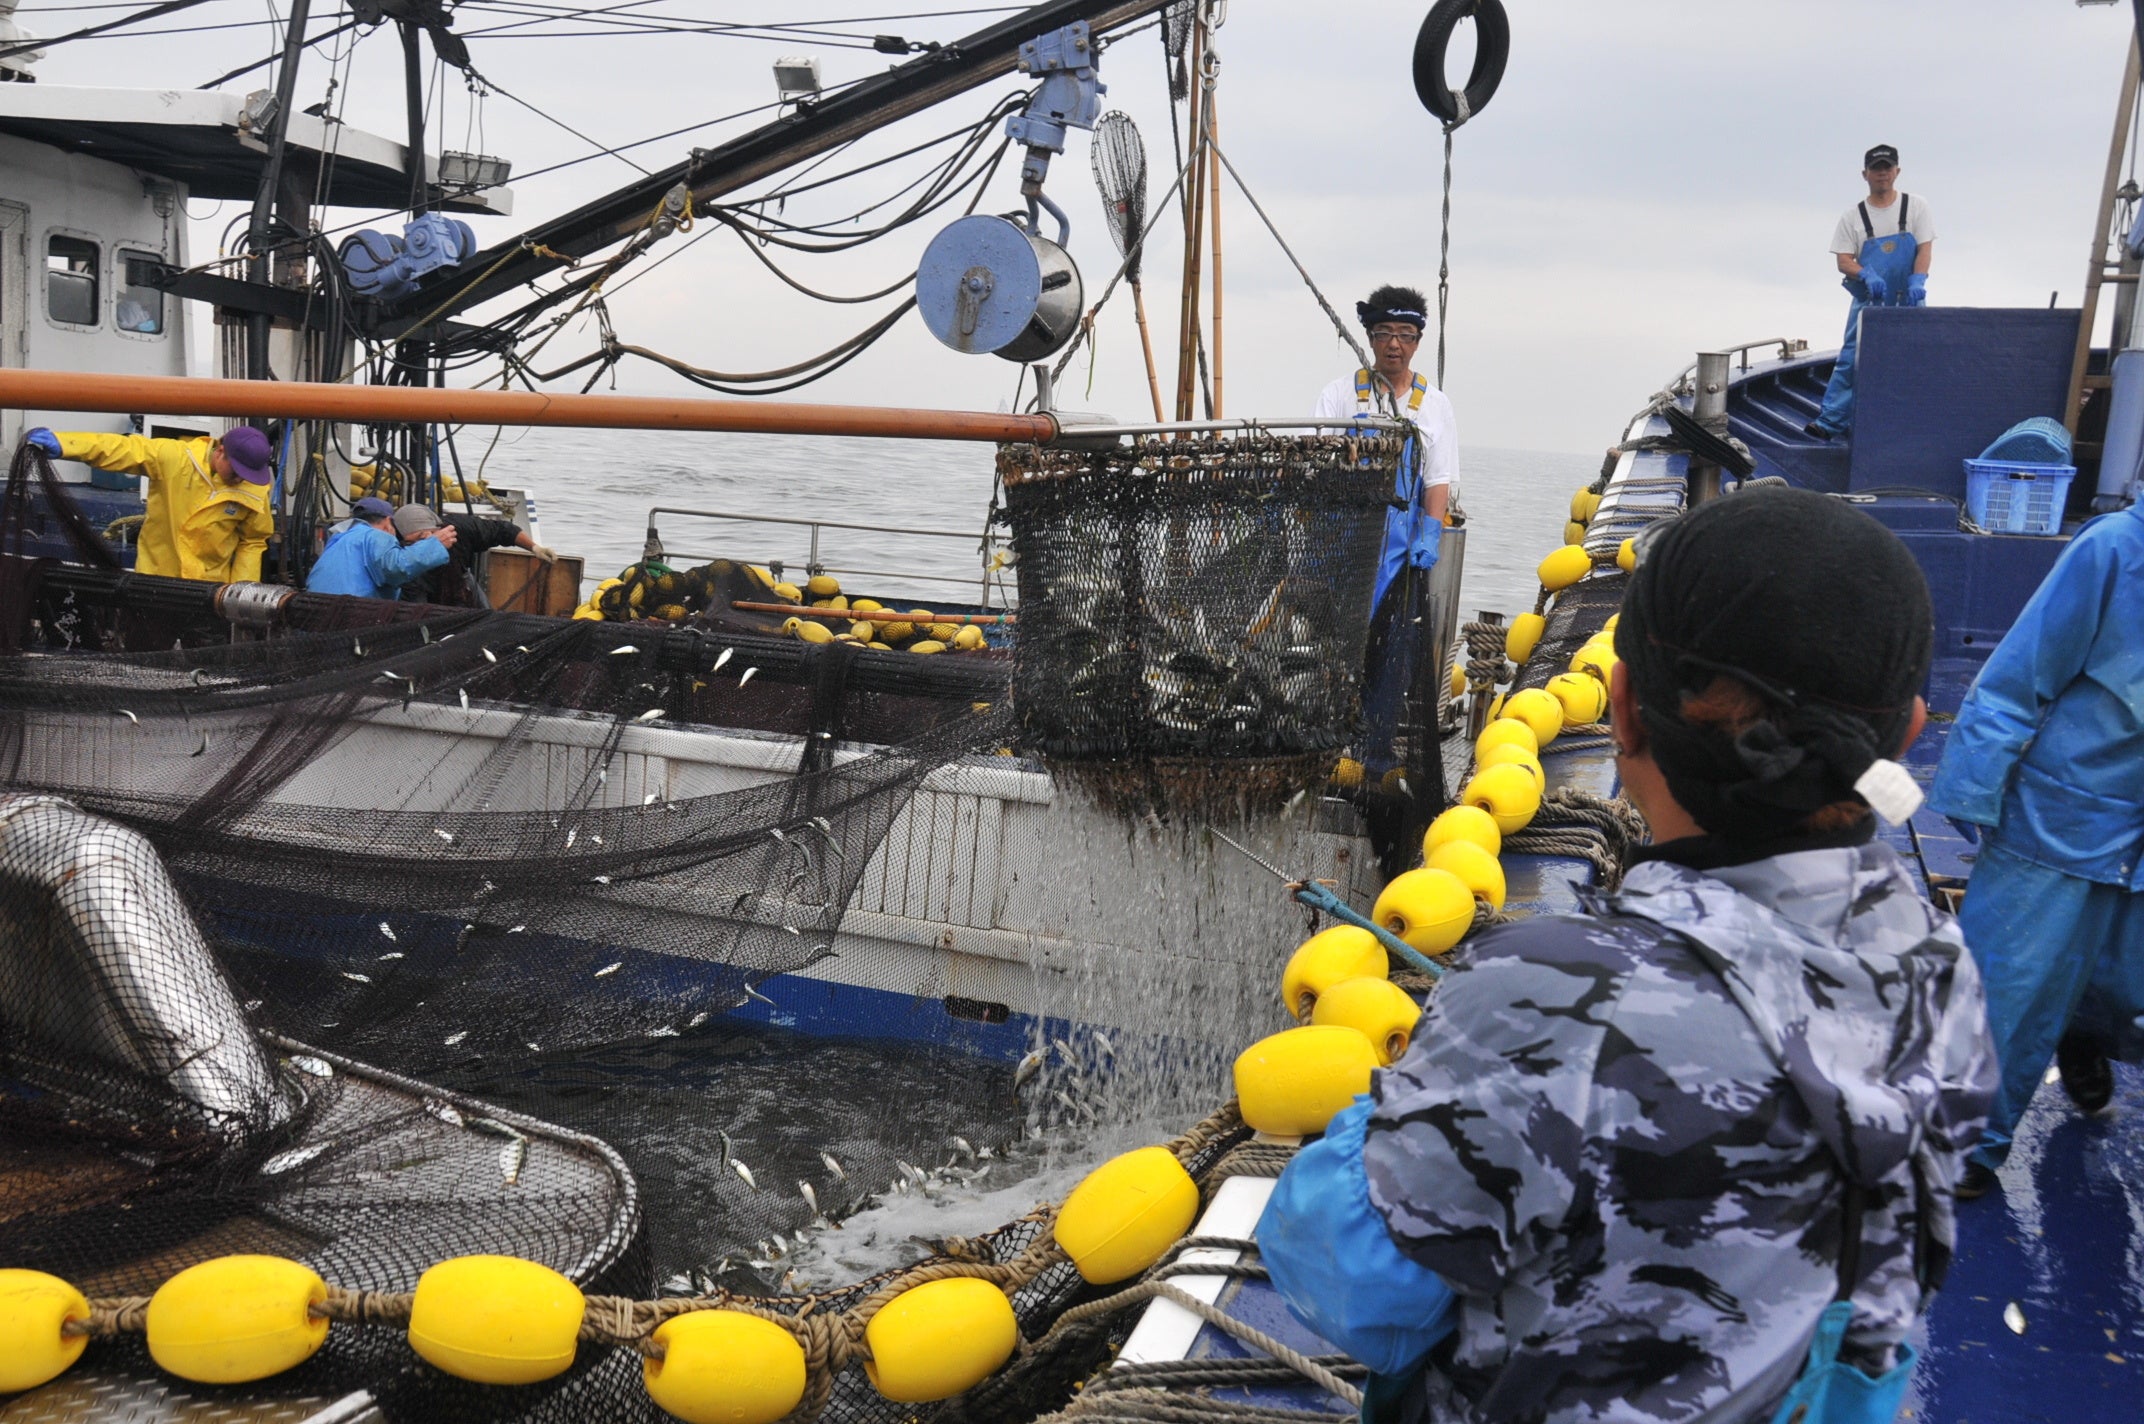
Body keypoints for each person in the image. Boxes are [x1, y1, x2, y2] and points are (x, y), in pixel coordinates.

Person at [1261, 488, 1994, 1424]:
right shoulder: (1943, 966)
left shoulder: (1543, 997)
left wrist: (1388, 1106)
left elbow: (1351, 1284)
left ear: (1622, 711)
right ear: (1909, 735)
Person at [1925, 496, 2144, 1198]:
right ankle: (1963, 1148)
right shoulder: (2114, 549)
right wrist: (1975, 795)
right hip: (2057, 819)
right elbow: (2019, 674)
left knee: (2126, 980)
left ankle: (2083, 1029)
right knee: (2005, 989)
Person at [1311, 285, 1458, 612]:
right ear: (1369, 336)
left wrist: (1430, 534)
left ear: (1417, 342)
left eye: (1406, 335)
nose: (1394, 344)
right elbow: (1313, 459)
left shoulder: (1435, 405)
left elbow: (1437, 478)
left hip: (1401, 548)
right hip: (1339, 538)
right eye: (1385, 333)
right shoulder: (1338, 395)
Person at [25, 424, 276, 583]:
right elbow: (123, 449)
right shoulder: (175, 458)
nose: (241, 478)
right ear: (220, 450)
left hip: (208, 590)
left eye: (248, 473)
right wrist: (67, 444)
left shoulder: (254, 488)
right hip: (155, 582)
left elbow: (253, 540)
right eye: (237, 470)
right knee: (143, 659)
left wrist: (239, 591)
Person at [1806, 144, 1936, 441]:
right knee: (1853, 359)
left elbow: (1925, 249)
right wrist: (1864, 272)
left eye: (1887, 168)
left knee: (1913, 358)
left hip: (1909, 298)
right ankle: (1830, 422)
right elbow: (1843, 261)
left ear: (1897, 172)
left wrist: (1918, 279)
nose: (1882, 174)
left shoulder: (1916, 206)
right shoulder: (1853, 217)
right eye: (1876, 169)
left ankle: (1908, 422)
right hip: (1869, 301)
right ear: (1865, 174)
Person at [393, 502, 556, 606]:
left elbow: (503, 531)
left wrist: (535, 548)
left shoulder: (460, 528)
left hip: (461, 585)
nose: (428, 541)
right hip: (419, 592)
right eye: (417, 540)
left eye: (430, 534)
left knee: (487, 621)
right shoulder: (397, 554)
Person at [307, 495, 455, 599]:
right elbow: (395, 568)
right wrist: (434, 545)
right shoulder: (375, 535)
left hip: (317, 609)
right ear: (388, 522)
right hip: (349, 614)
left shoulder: (338, 540)